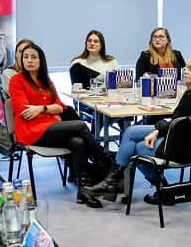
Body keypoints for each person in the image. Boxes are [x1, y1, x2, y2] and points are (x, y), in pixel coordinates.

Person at [89, 54, 191, 204]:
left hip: (179, 148)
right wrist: (157, 130)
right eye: (186, 67)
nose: (186, 71)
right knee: (130, 132)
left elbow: (175, 122)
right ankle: (116, 181)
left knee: (135, 147)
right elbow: (177, 121)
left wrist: (157, 130)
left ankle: (118, 182)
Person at [9, 43, 116, 208]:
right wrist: (50, 110)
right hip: (30, 131)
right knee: (80, 126)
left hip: (51, 127)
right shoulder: (17, 81)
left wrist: (41, 109)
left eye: (34, 57)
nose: (29, 60)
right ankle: (106, 164)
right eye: (26, 57)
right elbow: (24, 112)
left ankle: (84, 191)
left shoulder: (46, 81)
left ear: (41, 61)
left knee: (78, 142)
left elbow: (61, 107)